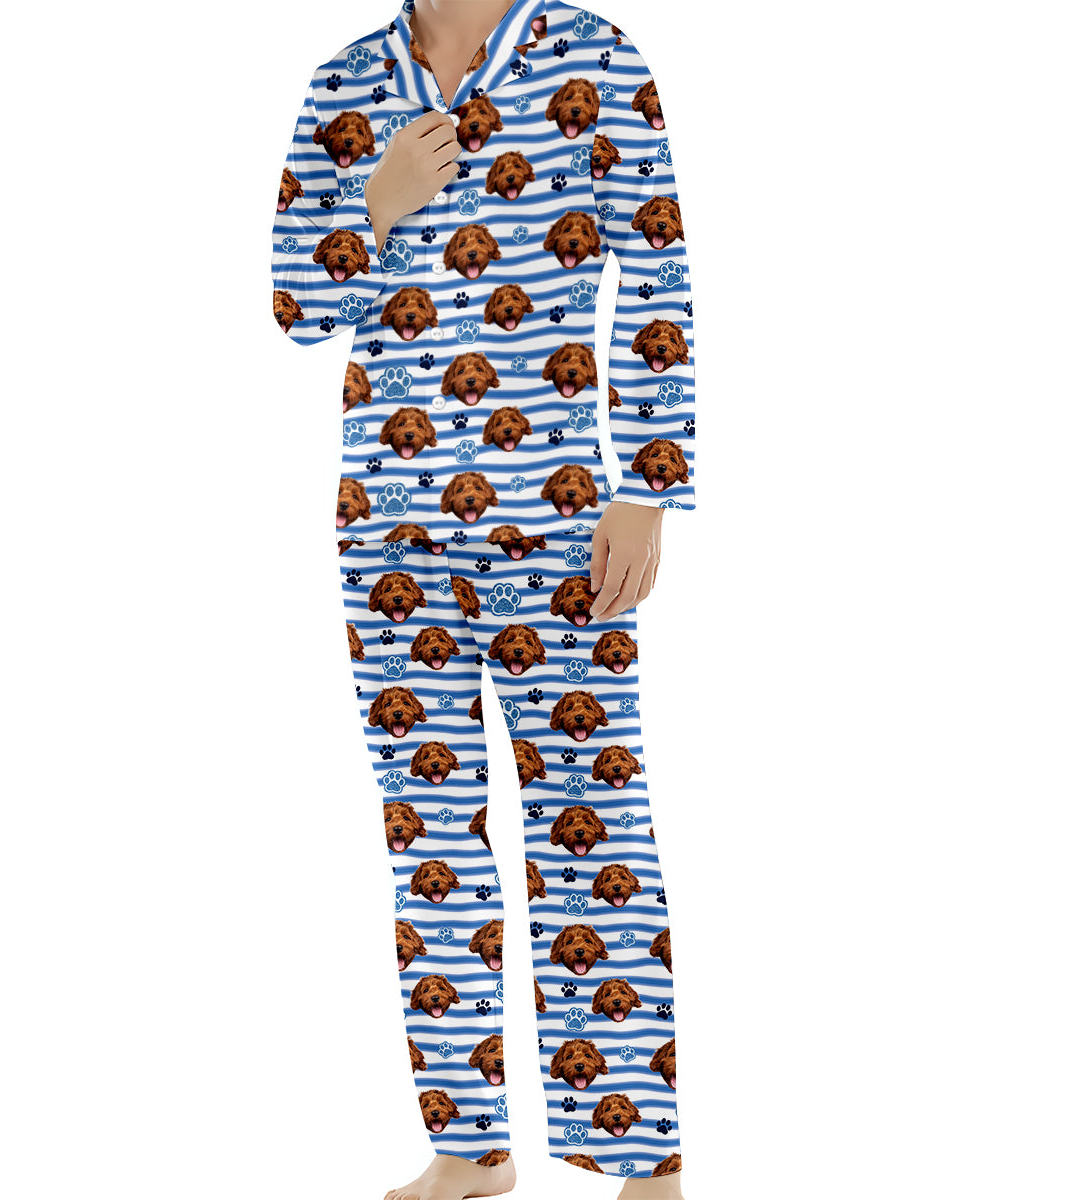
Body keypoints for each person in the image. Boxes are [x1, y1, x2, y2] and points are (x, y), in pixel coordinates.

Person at [271, 3, 694, 1197]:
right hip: (389, 534)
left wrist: (647, 488)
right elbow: (296, 309)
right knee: (430, 843)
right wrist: (377, 205)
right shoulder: (345, 84)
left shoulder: (594, 59)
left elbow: (658, 275)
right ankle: (469, 1151)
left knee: (594, 826)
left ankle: (643, 1163)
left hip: (558, 528)